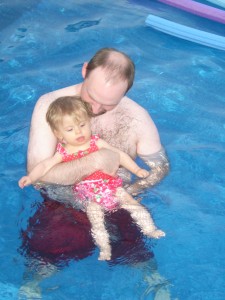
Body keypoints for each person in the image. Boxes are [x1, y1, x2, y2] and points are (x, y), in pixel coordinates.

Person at [19, 96, 165, 260]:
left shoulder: (96, 142)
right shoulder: (63, 152)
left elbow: (118, 155)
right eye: (70, 129)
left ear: (89, 122)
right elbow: (45, 166)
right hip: (88, 194)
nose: (78, 132)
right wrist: (31, 177)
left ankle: (149, 229)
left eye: (82, 125)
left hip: (112, 186)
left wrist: (137, 170)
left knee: (133, 205)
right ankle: (105, 249)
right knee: (97, 221)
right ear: (58, 134)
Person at [27, 47, 169, 203]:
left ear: (125, 92)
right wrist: (94, 162)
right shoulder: (50, 105)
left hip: (118, 202)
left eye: (107, 105)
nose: (94, 110)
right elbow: (37, 178)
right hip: (61, 207)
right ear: (85, 71)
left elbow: (160, 168)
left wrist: (132, 191)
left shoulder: (138, 118)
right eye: (91, 96)